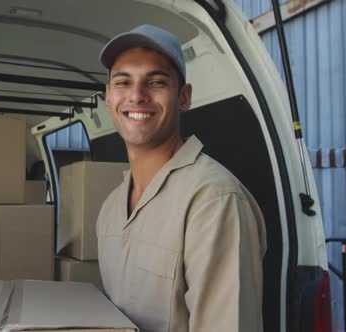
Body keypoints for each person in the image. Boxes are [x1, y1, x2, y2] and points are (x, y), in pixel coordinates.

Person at [95, 24, 267, 332]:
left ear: (184, 98)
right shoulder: (110, 209)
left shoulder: (213, 201)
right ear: (108, 98)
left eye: (156, 82)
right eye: (123, 82)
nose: (137, 95)